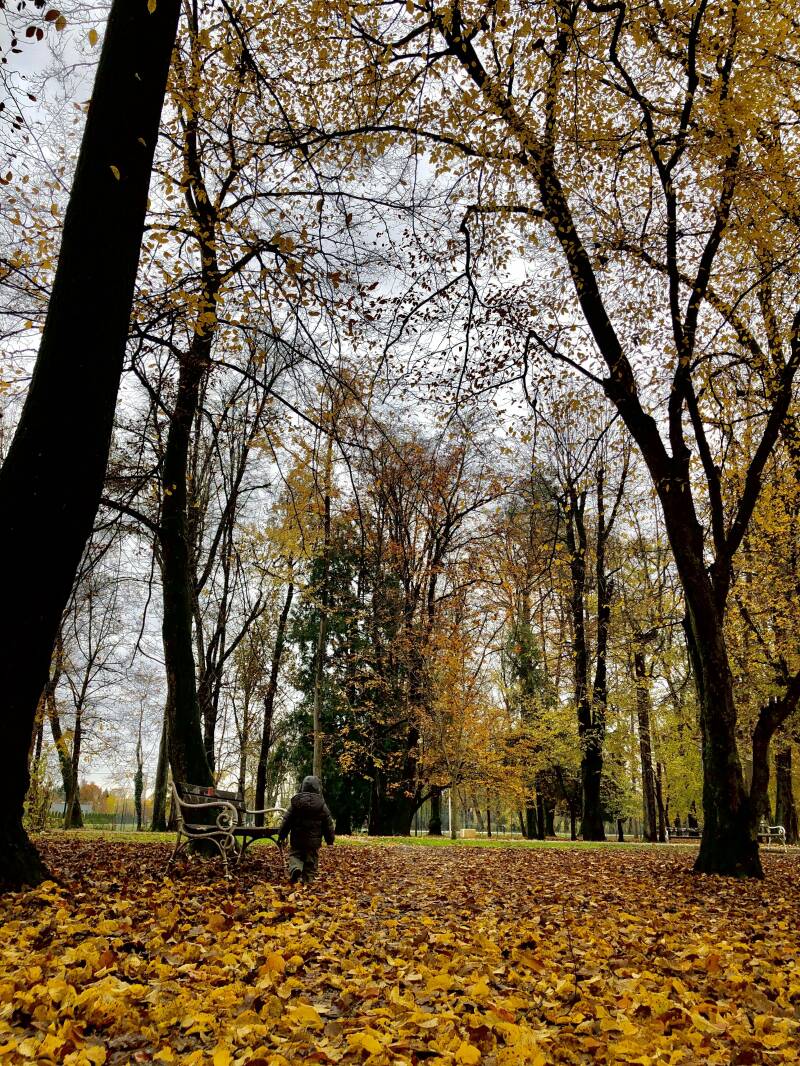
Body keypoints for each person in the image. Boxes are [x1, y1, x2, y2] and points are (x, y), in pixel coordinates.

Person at [277, 775, 335, 885]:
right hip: (313, 843)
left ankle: (295, 868)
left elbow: (286, 821)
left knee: (295, 855)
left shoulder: (296, 803)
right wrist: (330, 840)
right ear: (318, 788)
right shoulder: (321, 805)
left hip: (297, 840)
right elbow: (328, 824)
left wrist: (281, 835)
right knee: (311, 861)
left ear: (302, 787)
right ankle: (308, 882)